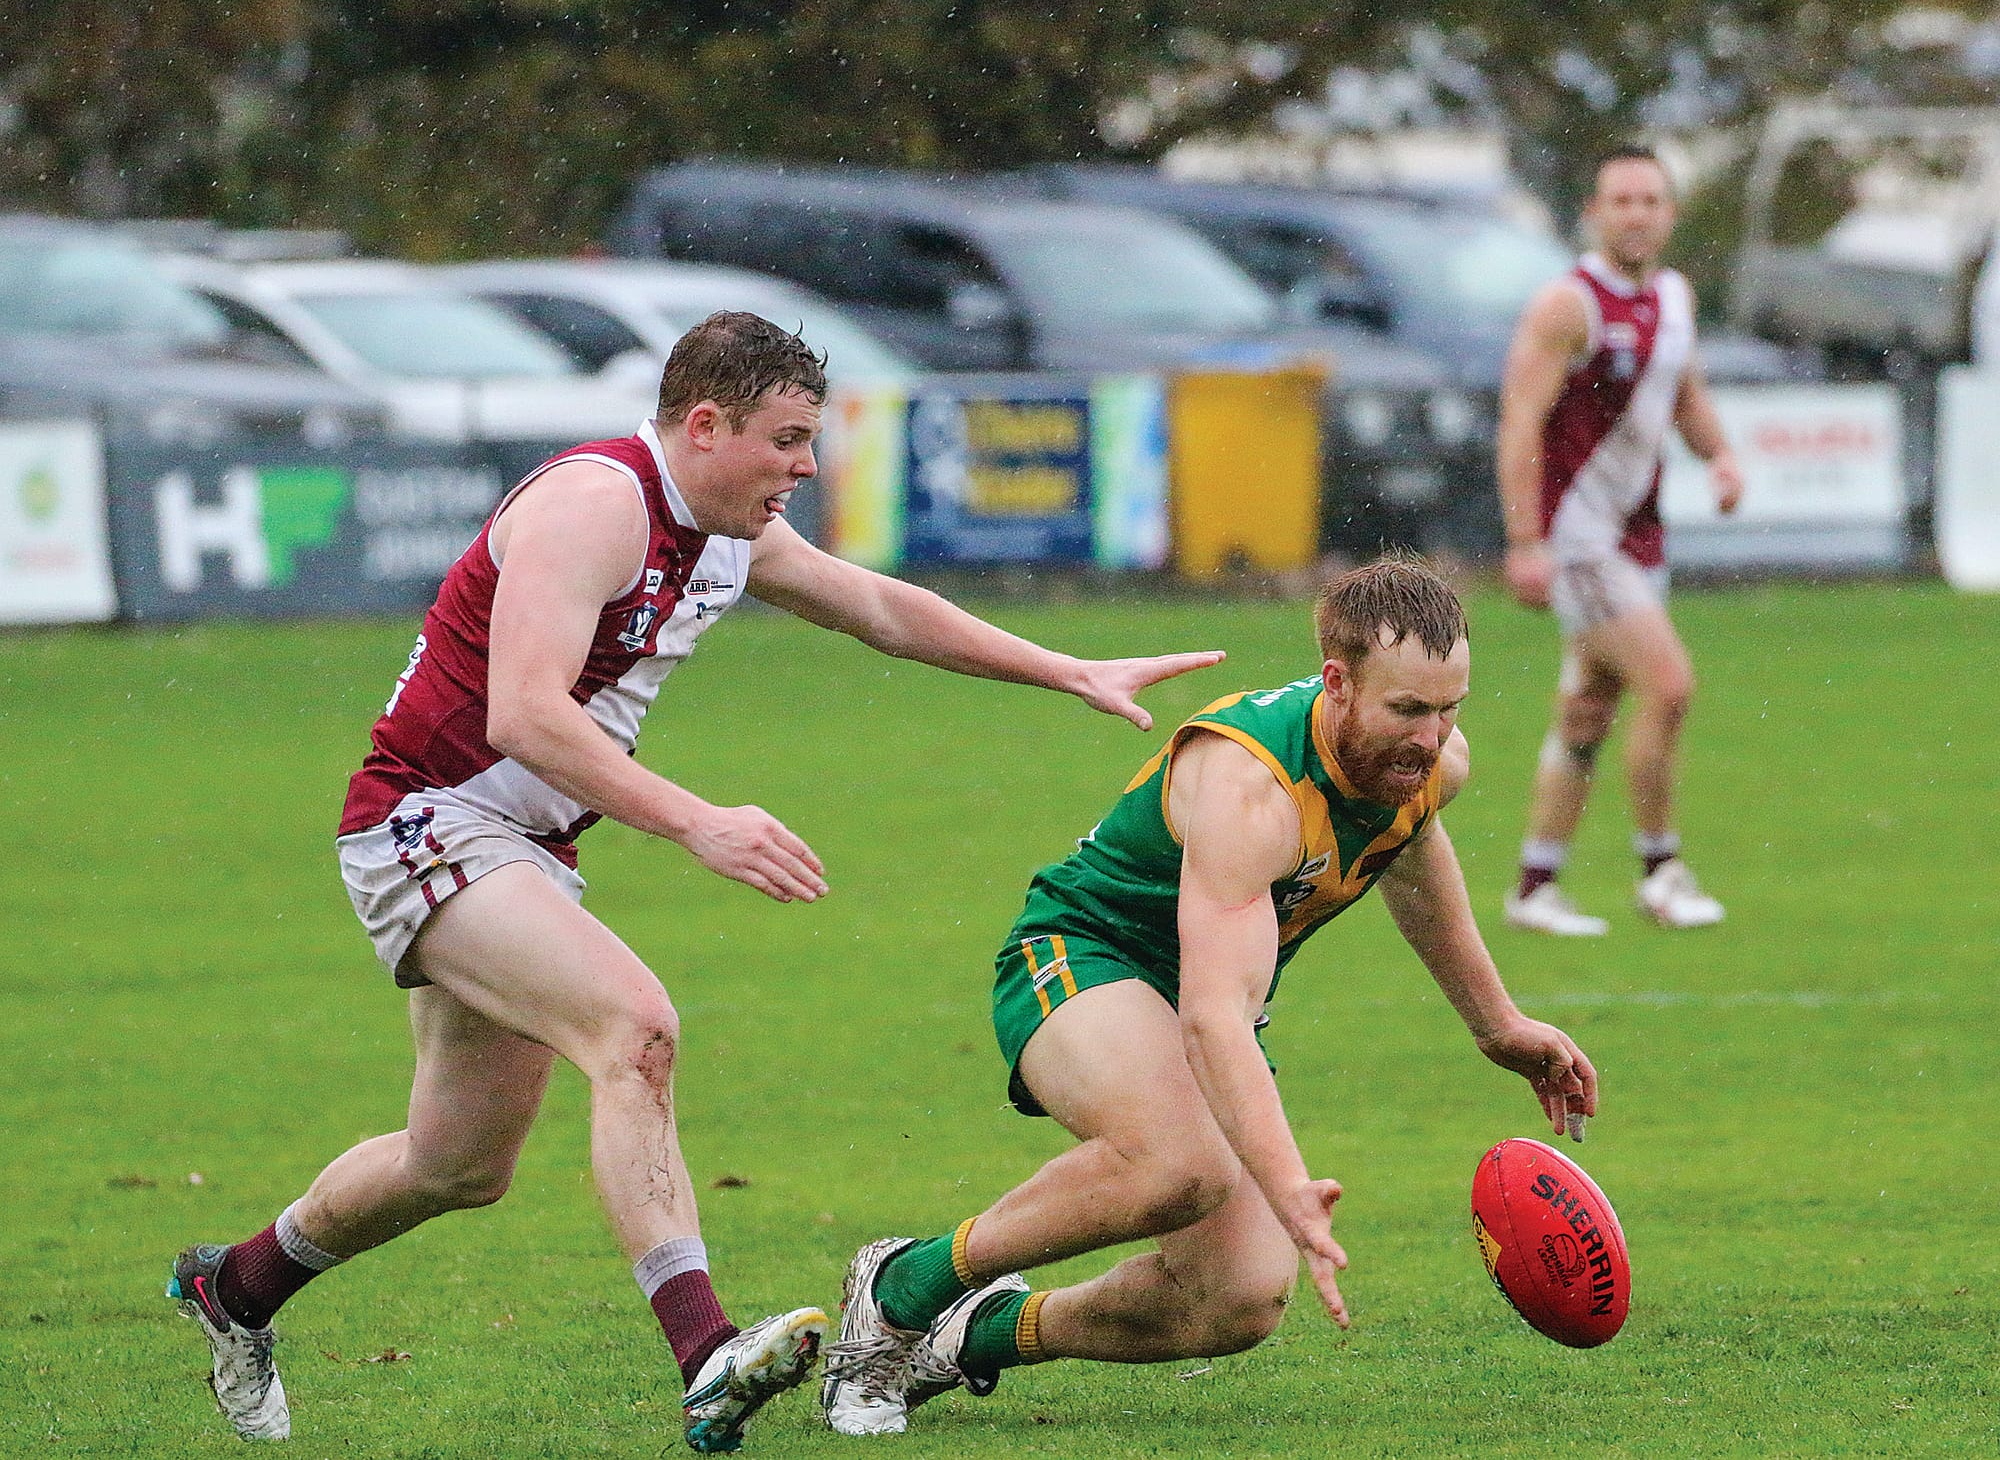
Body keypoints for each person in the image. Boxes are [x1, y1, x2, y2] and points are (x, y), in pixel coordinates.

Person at [167, 312, 1225, 1453]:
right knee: (636, 1030)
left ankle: (237, 1285)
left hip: (519, 845)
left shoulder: (725, 527)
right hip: (428, 821)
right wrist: (698, 822)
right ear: (706, 425)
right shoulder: (595, 505)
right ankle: (706, 1352)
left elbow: (877, 607)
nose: (806, 467)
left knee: (454, 1165)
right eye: (787, 439)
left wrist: (1064, 668)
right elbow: (520, 712)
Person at [819, 555, 1598, 1436]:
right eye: (1408, 709)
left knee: (1238, 1299)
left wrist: (1497, 1023)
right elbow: (1215, 1013)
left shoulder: (1426, 765)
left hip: (1196, 987)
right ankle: (899, 1290)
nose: (1433, 735)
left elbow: (1410, 853)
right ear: (1336, 683)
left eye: (1450, 705)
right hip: (1085, 953)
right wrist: (1290, 1181)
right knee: (1179, 1164)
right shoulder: (1250, 789)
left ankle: (974, 1337)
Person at [1494, 144, 1745, 938]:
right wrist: (1526, 539)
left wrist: (1723, 456)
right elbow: (1520, 420)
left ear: (1669, 214)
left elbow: (1687, 394)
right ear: (1594, 213)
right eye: (1622, 199)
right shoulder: (1568, 305)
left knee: (1588, 710)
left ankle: (1536, 884)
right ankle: (1660, 871)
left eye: (1651, 199)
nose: (1637, 213)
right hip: (1578, 540)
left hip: (1637, 538)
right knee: (1668, 684)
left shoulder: (1674, 297)